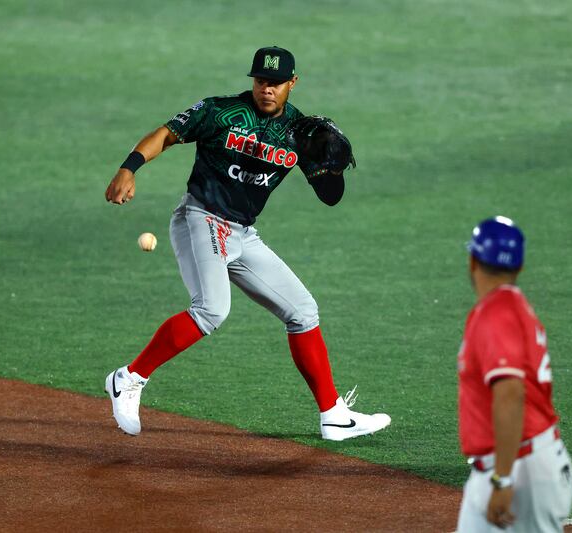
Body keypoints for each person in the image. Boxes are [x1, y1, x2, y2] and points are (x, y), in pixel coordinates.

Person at [103, 46, 390, 441]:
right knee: (211, 311)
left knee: (303, 311)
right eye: (260, 81)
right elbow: (167, 134)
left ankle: (333, 415)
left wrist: (328, 167)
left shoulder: (300, 132)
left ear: (293, 83)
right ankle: (128, 378)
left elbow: (329, 193)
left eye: (275, 83)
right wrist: (129, 167)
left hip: (241, 233)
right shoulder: (220, 112)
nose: (266, 89)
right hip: (200, 217)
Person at [456, 216, 572, 532]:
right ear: (519, 268)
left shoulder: (497, 314)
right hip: (512, 464)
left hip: (521, 469)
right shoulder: (513, 306)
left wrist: (504, 479)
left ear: (473, 261)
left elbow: (510, 395)